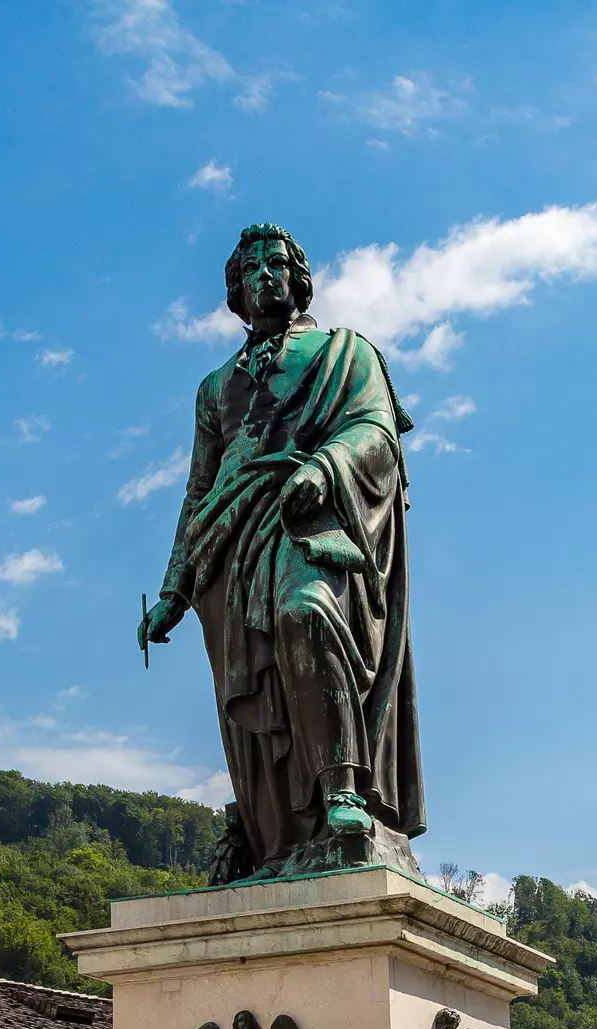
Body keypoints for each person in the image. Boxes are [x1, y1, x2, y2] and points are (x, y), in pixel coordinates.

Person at [139, 224, 423, 880]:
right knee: (254, 690)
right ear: (235, 293)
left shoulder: (345, 353)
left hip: (308, 520)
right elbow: (197, 489)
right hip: (229, 546)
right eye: (251, 269)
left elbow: (375, 431)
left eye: (277, 263)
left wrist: (325, 467)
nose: (265, 275)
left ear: (299, 278)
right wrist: (174, 591)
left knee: (305, 611)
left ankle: (341, 786)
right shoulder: (214, 389)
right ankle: (278, 834)